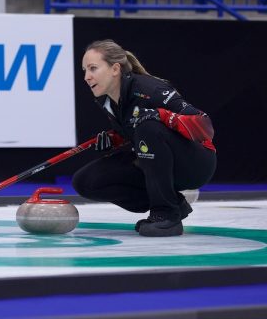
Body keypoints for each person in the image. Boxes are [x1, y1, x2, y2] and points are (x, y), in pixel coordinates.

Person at [73, 40, 216, 237]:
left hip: (196, 164)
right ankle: (174, 204)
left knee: (148, 126)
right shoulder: (107, 100)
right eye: (84, 70)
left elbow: (205, 127)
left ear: (115, 69)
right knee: (85, 181)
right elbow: (135, 133)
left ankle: (166, 215)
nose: (87, 77)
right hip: (160, 160)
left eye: (93, 68)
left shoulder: (150, 90)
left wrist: (162, 116)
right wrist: (115, 139)